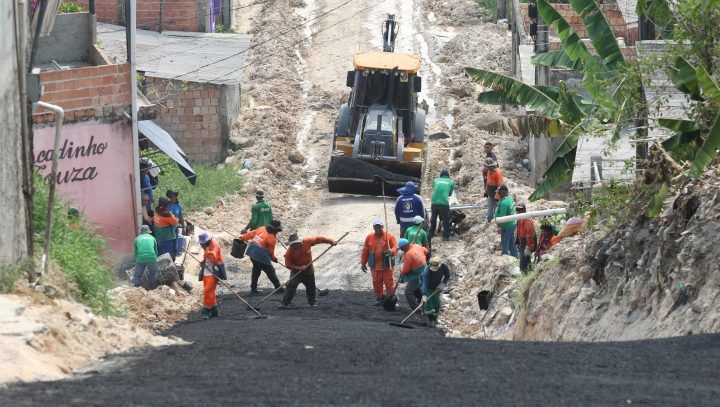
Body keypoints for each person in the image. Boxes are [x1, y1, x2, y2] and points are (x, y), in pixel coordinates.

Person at [279, 233, 336, 308]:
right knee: (291, 286)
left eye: (294, 244)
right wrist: (299, 268)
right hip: (296, 272)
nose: (293, 246)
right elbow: (288, 265)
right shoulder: (289, 252)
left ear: (299, 242)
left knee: (311, 287)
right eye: (291, 245)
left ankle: (311, 303)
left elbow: (318, 239)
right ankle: (285, 303)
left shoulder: (307, 241)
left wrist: (331, 241)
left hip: (309, 270)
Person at [360, 219, 398, 306]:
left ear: (382, 227)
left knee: (389, 282)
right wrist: (363, 262)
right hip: (375, 265)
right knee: (376, 282)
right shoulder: (369, 237)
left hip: (387, 265)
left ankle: (392, 299)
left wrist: (391, 250)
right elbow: (365, 250)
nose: (377, 229)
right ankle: (380, 298)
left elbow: (396, 246)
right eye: (376, 227)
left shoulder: (389, 236)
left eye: (379, 227)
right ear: (373, 227)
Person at [242, 221, 283, 294]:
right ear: (274, 230)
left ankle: (253, 288)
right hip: (260, 256)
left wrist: (243, 238)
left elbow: (251, 234)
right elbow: (270, 252)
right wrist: (274, 259)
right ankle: (278, 287)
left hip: (252, 252)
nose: (277, 232)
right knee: (270, 271)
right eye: (277, 231)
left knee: (256, 270)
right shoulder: (272, 239)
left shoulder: (262, 228)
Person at [197, 232, 227, 319]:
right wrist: (203, 262)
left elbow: (213, 259)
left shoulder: (214, 246)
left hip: (213, 273)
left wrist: (206, 251)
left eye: (201, 244)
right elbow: (207, 259)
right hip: (206, 272)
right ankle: (214, 311)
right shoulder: (207, 247)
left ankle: (205, 312)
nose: (201, 246)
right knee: (211, 293)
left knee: (206, 292)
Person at [398, 238, 429, 310]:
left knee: (408, 292)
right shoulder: (417, 246)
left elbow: (405, 270)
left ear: (406, 246)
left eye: (401, 248)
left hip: (417, 274)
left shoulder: (409, 254)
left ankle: (416, 309)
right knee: (418, 289)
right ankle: (422, 303)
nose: (401, 250)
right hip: (425, 269)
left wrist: (401, 267)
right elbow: (426, 251)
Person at [420, 257, 450, 327]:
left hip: (437, 287)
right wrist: (424, 294)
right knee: (428, 304)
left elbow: (447, 276)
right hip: (427, 287)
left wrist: (443, 283)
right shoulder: (426, 271)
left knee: (436, 304)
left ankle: (434, 319)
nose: (434, 270)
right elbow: (425, 284)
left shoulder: (444, 267)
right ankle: (428, 319)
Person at [430, 169, 455, 241]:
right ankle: (445, 237)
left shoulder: (436, 180)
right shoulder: (451, 182)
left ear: (441, 175)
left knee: (433, 218)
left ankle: (431, 233)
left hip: (434, 202)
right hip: (444, 203)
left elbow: (435, 189)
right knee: (446, 219)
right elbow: (450, 194)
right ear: (448, 175)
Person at [495, 185, 518, 257]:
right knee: (511, 242)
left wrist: (499, 227)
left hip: (506, 226)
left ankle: (504, 256)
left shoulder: (504, 203)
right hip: (512, 224)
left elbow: (502, 217)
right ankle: (515, 255)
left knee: (505, 242)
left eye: (499, 192)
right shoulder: (510, 198)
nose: (498, 194)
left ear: (503, 192)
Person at [514, 203, 536, 273]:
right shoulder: (520, 219)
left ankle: (526, 275)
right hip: (523, 242)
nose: (518, 211)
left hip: (527, 242)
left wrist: (529, 247)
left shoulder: (527, 221)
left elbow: (529, 235)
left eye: (519, 210)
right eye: (517, 210)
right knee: (526, 262)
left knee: (523, 264)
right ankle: (529, 273)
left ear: (524, 210)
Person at [166, 190, 186, 256]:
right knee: (168, 244)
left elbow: (181, 216)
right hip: (167, 229)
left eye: (175, 197)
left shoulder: (178, 205)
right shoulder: (166, 205)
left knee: (175, 245)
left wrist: (183, 227)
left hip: (175, 228)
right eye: (172, 197)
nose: (174, 198)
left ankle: (173, 259)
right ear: (169, 198)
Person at [485, 158, 503, 223]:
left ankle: (498, 220)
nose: (488, 168)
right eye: (487, 167)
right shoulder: (488, 172)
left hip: (496, 193)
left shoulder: (498, 173)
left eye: (489, 167)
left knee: (497, 208)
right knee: (490, 207)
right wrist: (486, 191)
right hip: (490, 193)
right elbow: (488, 182)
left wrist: (497, 195)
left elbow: (500, 186)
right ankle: (489, 220)